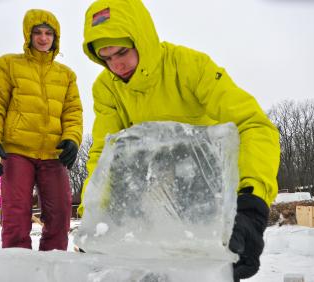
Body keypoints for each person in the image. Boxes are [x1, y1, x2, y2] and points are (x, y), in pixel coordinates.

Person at [78, 0, 280, 280]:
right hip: (150, 198)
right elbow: (104, 153)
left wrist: (251, 202)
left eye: (122, 51)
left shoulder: (189, 66)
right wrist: (94, 215)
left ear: (142, 39)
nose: (116, 65)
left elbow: (254, 125)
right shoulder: (106, 89)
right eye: (106, 57)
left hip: (206, 195)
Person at [0, 9, 83, 251]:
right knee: (16, 213)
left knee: (60, 212)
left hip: (53, 153)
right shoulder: (8, 65)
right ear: (28, 34)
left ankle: (53, 264)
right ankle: (17, 268)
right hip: (17, 151)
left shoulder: (66, 75)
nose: (43, 38)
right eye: (38, 32)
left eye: (49, 33)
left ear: (56, 38)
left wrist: (72, 138)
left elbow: (73, 112)